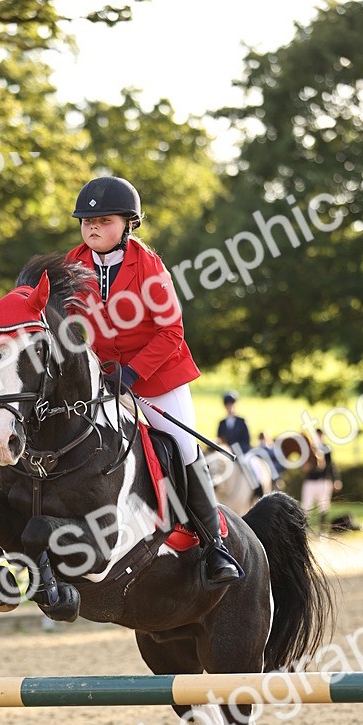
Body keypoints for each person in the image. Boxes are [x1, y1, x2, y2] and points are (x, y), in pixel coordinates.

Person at [65, 176, 242, 589]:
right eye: (87, 221)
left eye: (104, 221)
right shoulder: (72, 265)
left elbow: (171, 332)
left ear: (128, 224)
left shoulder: (148, 266)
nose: (93, 228)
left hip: (158, 375)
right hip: (103, 378)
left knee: (182, 446)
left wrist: (132, 373)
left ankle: (214, 545)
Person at [301, 429, 342, 530]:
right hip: (311, 481)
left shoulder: (326, 449)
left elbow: (331, 465)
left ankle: (322, 531)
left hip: (323, 481)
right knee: (306, 507)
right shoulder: (308, 449)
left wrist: (336, 479)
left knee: (323, 507)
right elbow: (304, 466)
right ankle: (304, 529)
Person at [217, 392, 251, 457]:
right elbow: (220, 440)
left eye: (232, 404)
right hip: (226, 454)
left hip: (241, 453)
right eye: (228, 405)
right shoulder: (222, 423)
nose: (230, 407)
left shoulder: (242, 421)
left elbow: (246, 441)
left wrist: (234, 450)